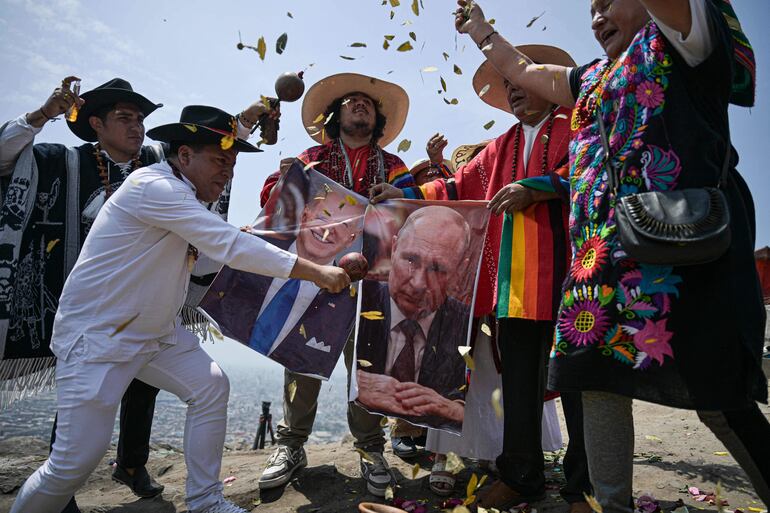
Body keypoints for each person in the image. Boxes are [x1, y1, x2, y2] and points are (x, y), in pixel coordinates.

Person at [454, 0, 770, 511]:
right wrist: (481, 31)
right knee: (595, 381)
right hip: (601, 267)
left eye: (609, 3)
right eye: (591, 10)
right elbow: (527, 70)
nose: (597, 16)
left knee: (720, 399)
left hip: (688, 252)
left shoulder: (683, 42)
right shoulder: (594, 79)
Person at [8, 104, 350, 513]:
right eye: (220, 160)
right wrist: (318, 273)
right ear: (184, 156)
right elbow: (227, 247)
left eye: (233, 164)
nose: (228, 173)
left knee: (211, 386)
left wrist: (232, 237)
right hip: (98, 336)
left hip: (155, 333)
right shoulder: (155, 187)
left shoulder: (185, 197)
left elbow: (207, 258)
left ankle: (206, 501)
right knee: (72, 464)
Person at [371, 48, 592, 510]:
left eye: (519, 80)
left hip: (573, 277)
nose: (512, 90)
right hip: (511, 287)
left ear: (546, 83)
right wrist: (405, 191)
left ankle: (583, 483)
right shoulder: (502, 145)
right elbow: (456, 186)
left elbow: (594, 170)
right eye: (507, 85)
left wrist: (542, 186)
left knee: (576, 384)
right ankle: (522, 475)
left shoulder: (578, 124)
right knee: (520, 386)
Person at [257, 73, 415, 496]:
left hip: (376, 282)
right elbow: (273, 202)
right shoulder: (309, 157)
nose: (360, 105)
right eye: (351, 101)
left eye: (367, 102)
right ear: (334, 114)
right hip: (316, 275)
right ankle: (291, 446)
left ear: (377, 118)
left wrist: (399, 195)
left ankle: (369, 449)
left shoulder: (394, 166)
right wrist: (282, 180)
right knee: (301, 357)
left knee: (367, 367)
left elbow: (415, 208)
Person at [200, 177, 365, 378]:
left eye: (343, 225)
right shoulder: (254, 252)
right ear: (305, 214)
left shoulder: (347, 301)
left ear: (352, 239)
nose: (327, 230)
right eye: (322, 217)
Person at [355, 206, 471, 431]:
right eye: (411, 260)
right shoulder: (358, 299)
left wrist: (455, 410)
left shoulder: (469, 323)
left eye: (437, 269)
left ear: (459, 271)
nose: (418, 283)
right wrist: (354, 384)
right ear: (394, 248)